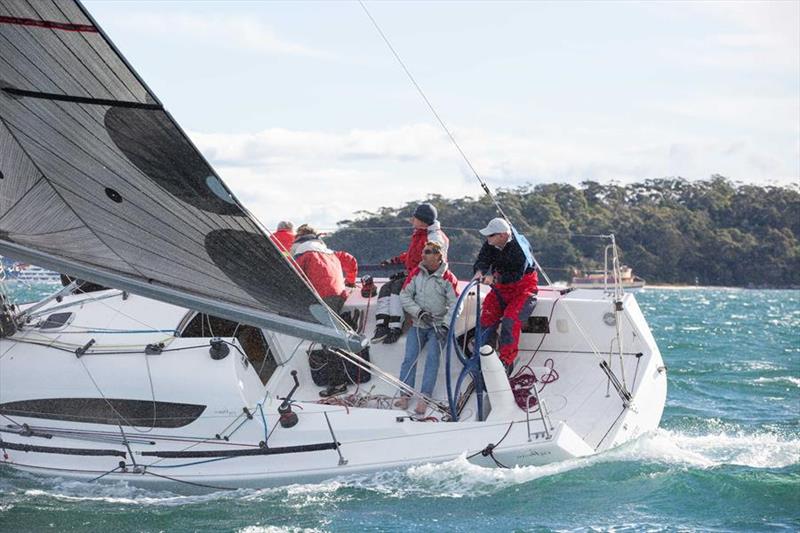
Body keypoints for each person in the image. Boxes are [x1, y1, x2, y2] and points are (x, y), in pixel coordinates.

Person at [395, 241, 458, 415]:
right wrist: (419, 312)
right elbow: (404, 295)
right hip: (418, 323)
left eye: (428, 252)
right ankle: (405, 395)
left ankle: (425, 397)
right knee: (409, 358)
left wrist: (445, 325)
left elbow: (455, 304)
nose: (423, 255)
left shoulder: (448, 278)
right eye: (423, 252)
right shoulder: (416, 273)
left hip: (439, 327)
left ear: (438, 256)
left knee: (432, 359)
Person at [372, 203, 449, 344]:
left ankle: (395, 327)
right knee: (385, 287)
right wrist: (394, 260)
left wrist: (412, 274)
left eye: (414, 217)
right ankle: (382, 326)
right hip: (415, 273)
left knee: (397, 287)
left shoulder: (434, 237)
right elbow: (412, 255)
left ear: (422, 220)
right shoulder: (420, 234)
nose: (411, 220)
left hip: (428, 278)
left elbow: (431, 261)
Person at [472, 217, 538, 372]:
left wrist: (494, 279)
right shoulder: (491, 244)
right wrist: (479, 271)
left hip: (523, 289)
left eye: (490, 235)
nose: (487, 238)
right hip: (501, 289)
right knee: (486, 319)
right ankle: (484, 356)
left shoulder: (519, 249)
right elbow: (483, 258)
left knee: (510, 320)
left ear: (502, 236)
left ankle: (506, 361)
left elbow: (516, 275)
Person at [291, 225, 357, 312]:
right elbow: (351, 261)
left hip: (318, 298)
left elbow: (294, 277)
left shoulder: (301, 253)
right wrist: (350, 283)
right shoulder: (330, 252)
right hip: (339, 295)